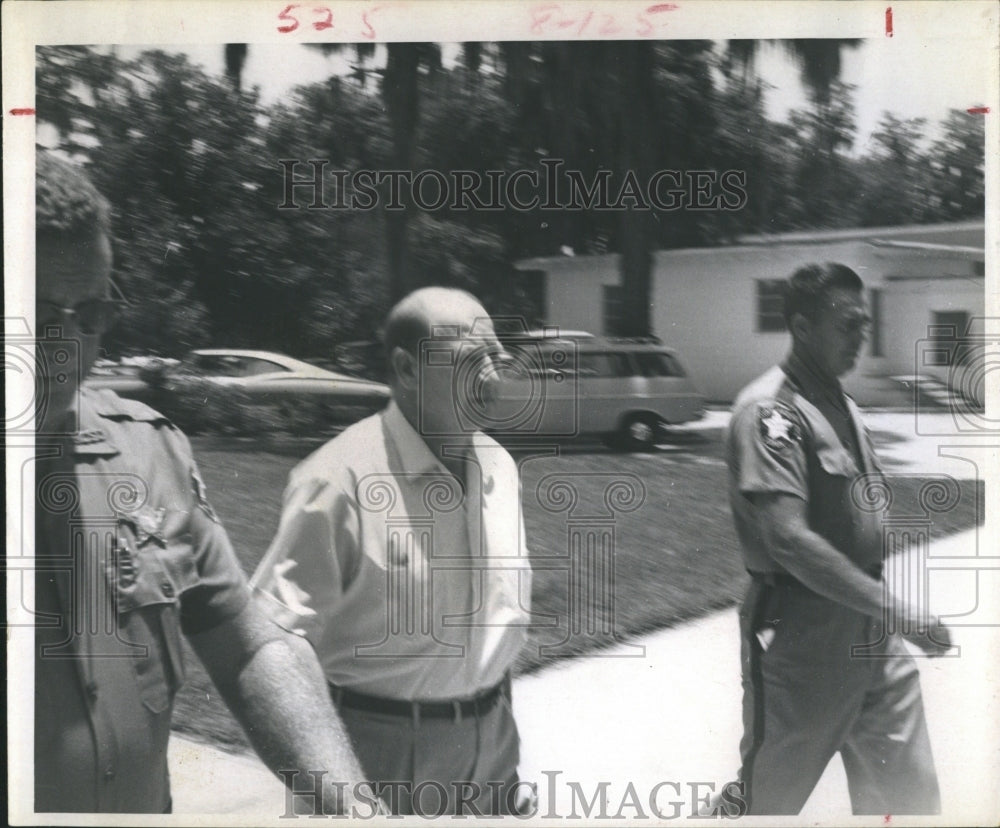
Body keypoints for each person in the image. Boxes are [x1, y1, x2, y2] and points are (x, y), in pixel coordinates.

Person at [32, 151, 374, 814]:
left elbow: (248, 646)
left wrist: (350, 805)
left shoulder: (149, 452)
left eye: (92, 315)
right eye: (39, 315)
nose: (68, 347)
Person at [251, 287, 535, 816]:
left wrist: (501, 757)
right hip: (376, 760)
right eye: (474, 359)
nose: (494, 377)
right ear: (406, 368)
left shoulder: (498, 466)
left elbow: (492, 624)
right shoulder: (337, 480)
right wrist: (340, 791)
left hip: (491, 745)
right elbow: (272, 649)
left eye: (498, 356)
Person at [721, 262, 952, 815]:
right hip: (803, 638)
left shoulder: (842, 404)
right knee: (768, 801)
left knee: (909, 796)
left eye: (864, 324)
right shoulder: (771, 414)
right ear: (802, 328)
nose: (861, 337)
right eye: (848, 325)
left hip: (872, 634)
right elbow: (788, 542)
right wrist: (901, 611)